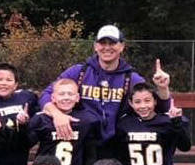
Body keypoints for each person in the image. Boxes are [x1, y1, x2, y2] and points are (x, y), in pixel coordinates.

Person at [38, 24, 170, 151]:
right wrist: (57, 115)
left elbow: (160, 108)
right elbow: (47, 95)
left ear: (122, 46)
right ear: (95, 46)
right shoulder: (78, 72)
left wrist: (163, 88)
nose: (107, 47)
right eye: (102, 43)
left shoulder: (131, 78)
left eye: (112, 43)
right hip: (82, 144)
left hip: (115, 144)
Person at [28, 78, 100, 165]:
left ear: (77, 98)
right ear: (53, 98)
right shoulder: (41, 119)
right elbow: (25, 144)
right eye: (61, 94)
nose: (66, 97)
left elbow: (90, 154)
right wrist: (22, 125)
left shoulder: (87, 120)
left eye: (70, 94)